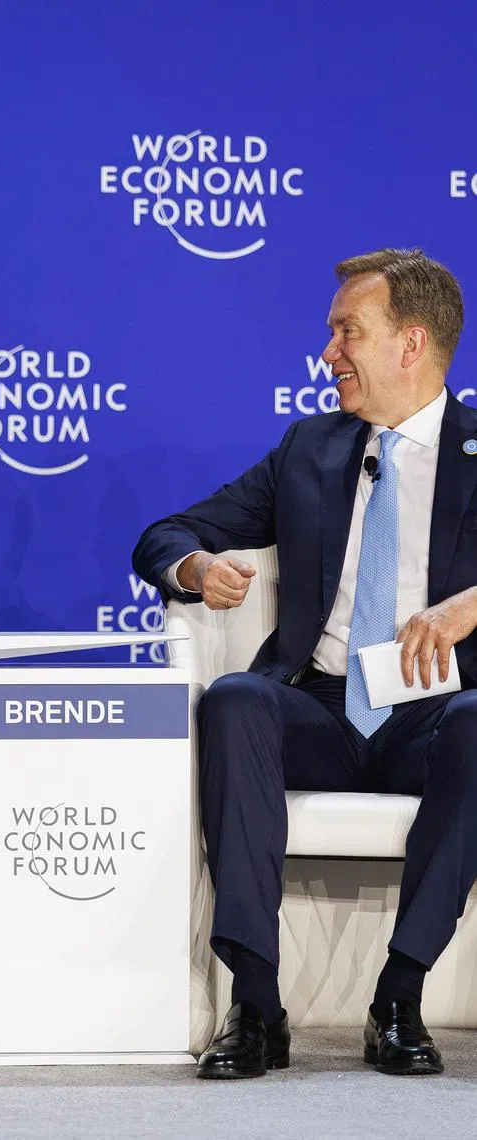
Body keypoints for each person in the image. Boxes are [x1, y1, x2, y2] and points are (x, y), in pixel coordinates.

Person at [133, 248, 477, 1079]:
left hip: (437, 714)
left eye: (347, 332)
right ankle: (255, 1005)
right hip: (319, 706)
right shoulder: (311, 448)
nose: (328, 353)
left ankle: (399, 998)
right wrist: (195, 568)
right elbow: (166, 534)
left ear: (410, 343)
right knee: (236, 701)